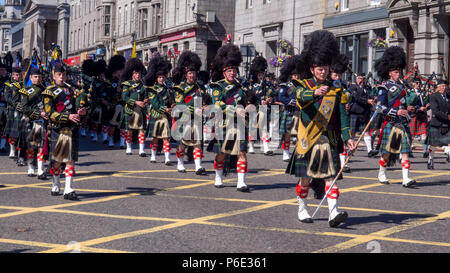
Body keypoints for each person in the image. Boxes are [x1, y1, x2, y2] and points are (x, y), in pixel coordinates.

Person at [286, 30, 355, 227]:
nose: (323, 72)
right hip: (309, 138)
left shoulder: (336, 89)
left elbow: (342, 116)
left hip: (329, 139)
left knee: (330, 178)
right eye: (319, 69)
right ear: (312, 68)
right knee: (305, 180)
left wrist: (347, 137)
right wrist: (315, 92)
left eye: (325, 68)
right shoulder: (303, 85)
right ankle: (302, 208)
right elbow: (300, 98)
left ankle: (333, 213)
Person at [208, 44, 250, 192]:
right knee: (221, 154)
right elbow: (218, 105)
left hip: (239, 125)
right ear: (224, 72)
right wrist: (235, 109)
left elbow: (249, 102)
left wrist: (252, 105)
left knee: (241, 152)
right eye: (229, 70)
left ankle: (241, 182)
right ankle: (218, 177)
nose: (232, 73)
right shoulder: (217, 87)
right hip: (224, 124)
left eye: (234, 70)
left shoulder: (242, 87)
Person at [42, 63, 86, 199]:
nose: (62, 77)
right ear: (54, 76)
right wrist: (68, 116)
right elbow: (50, 113)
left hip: (71, 129)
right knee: (57, 161)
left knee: (70, 160)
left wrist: (81, 112)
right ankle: (56, 183)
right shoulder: (48, 91)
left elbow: (77, 107)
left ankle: (68, 188)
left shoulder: (72, 90)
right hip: (57, 129)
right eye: (59, 75)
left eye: (63, 75)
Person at [375, 46, 416, 188]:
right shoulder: (384, 87)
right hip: (390, 123)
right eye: (396, 72)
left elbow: (403, 104)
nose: (398, 74)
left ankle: (406, 178)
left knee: (405, 151)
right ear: (390, 73)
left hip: (401, 123)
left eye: (399, 72)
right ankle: (381, 173)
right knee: (386, 154)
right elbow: (379, 107)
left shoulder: (403, 87)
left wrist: (407, 109)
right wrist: (396, 112)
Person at [171, 51, 206, 175]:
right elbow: (180, 105)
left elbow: (204, 101)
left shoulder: (200, 88)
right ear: (186, 75)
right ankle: (180, 163)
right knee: (182, 145)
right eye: (190, 73)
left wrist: (204, 107)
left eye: (194, 73)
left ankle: (198, 166)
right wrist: (193, 109)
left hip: (196, 120)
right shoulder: (180, 88)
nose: (192, 75)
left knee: (197, 143)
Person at [16, 67, 47, 179]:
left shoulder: (46, 89)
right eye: (35, 77)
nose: (38, 79)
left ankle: (40, 170)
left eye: (39, 77)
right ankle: (30, 167)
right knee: (30, 146)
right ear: (30, 77)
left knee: (42, 146)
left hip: (43, 122)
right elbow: (23, 108)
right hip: (31, 121)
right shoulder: (26, 91)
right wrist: (39, 113)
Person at [144, 55, 173, 164]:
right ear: (156, 78)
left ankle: (167, 158)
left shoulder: (168, 89)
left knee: (166, 138)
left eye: (163, 77)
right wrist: (166, 109)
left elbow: (171, 101)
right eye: (159, 77)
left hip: (165, 116)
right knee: (155, 138)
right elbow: (155, 104)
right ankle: (153, 156)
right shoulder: (152, 90)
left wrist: (173, 105)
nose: (161, 79)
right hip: (156, 115)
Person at [121, 58, 148, 156]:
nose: (138, 75)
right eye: (136, 73)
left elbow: (146, 96)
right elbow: (124, 97)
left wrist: (146, 100)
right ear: (132, 74)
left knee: (142, 130)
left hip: (141, 110)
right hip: (130, 110)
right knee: (130, 130)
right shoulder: (127, 85)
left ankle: (141, 150)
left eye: (139, 73)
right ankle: (129, 148)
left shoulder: (143, 85)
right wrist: (136, 102)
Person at [278, 55, 302, 162]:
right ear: (291, 76)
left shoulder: (303, 85)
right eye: (294, 75)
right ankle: (286, 152)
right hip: (289, 111)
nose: (296, 77)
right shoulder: (286, 86)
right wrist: (291, 102)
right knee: (287, 134)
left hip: (299, 112)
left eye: (297, 75)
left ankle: (299, 152)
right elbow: (281, 97)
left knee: (300, 133)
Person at [348, 73, 375, 157]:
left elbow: (371, 97)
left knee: (366, 131)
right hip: (355, 112)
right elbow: (356, 97)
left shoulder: (367, 88)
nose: (361, 80)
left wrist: (371, 101)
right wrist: (367, 101)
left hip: (364, 113)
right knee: (353, 132)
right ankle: (350, 150)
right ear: (356, 79)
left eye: (362, 78)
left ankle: (370, 150)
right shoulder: (353, 87)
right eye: (359, 78)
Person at [426, 79, 450, 168]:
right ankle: (430, 159)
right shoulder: (433, 96)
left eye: (445, 86)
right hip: (436, 123)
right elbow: (435, 111)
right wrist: (447, 117)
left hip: (447, 123)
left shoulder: (449, 96)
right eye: (442, 86)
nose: (444, 88)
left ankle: (448, 154)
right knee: (433, 145)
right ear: (438, 87)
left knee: (449, 142)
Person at [106, 55, 127, 149]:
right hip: (113, 106)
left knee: (123, 125)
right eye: (120, 70)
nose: (121, 72)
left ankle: (122, 142)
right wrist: (117, 91)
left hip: (123, 105)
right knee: (113, 125)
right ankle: (110, 139)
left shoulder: (124, 81)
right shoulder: (110, 82)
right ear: (115, 70)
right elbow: (108, 94)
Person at [3, 67, 23, 159]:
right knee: (12, 131)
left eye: (19, 75)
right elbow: (7, 97)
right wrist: (16, 104)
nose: (18, 76)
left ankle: (19, 151)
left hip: (22, 110)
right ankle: (12, 150)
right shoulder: (8, 85)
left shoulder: (24, 85)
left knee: (20, 131)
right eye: (16, 75)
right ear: (13, 75)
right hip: (12, 109)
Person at [409, 78, 430, 158]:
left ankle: (425, 151)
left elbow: (426, 103)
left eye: (419, 83)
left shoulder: (423, 93)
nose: (418, 84)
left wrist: (427, 106)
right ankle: (409, 151)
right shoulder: (410, 93)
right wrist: (418, 108)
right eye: (417, 83)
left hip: (422, 115)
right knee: (411, 134)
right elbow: (409, 103)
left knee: (424, 133)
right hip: (414, 115)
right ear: (413, 84)